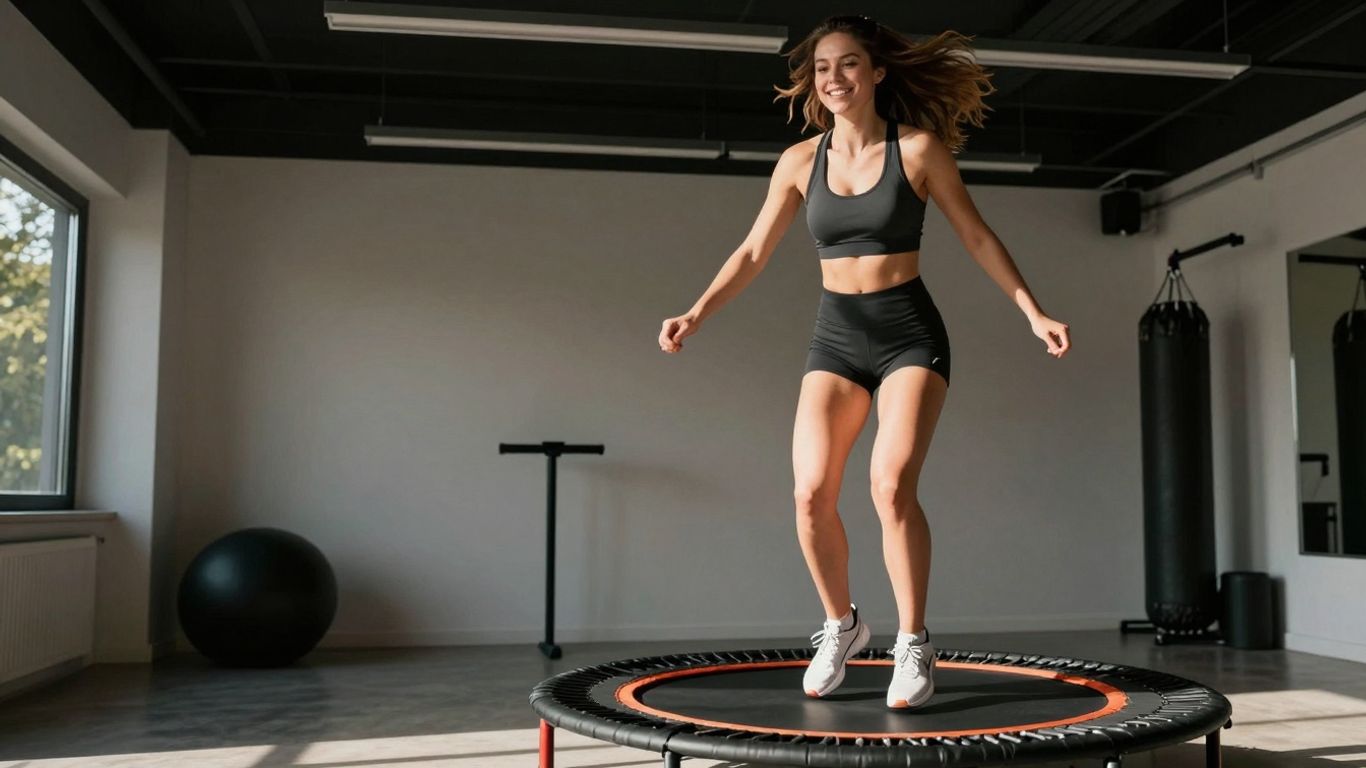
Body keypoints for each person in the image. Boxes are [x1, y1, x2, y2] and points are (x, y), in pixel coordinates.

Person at [657, 14, 1071, 709]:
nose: (834, 78)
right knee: (810, 493)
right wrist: (697, 310)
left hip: (909, 331)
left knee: (888, 485)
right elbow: (755, 250)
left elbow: (975, 235)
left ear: (877, 72)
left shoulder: (917, 150)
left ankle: (913, 643)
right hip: (837, 336)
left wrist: (1033, 311)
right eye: (823, 68)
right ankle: (842, 625)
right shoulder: (798, 161)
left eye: (849, 64)